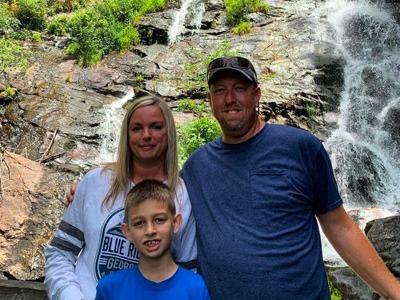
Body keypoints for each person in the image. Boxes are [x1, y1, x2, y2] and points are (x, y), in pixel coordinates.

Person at [180, 56, 400, 299]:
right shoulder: (195, 167)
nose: (230, 99)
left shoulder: (302, 148)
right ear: (210, 100)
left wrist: (394, 292)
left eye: (239, 89)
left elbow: (340, 226)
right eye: (219, 91)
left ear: (257, 94)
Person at [44, 95, 197, 300]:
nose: (146, 135)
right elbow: (60, 253)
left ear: (169, 132)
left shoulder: (183, 195)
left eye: (156, 126)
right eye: (136, 128)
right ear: (126, 134)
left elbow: (188, 271)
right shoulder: (94, 183)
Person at [95, 179, 209, 300]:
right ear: (127, 231)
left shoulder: (195, 288)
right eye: (139, 223)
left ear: (175, 223)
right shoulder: (109, 288)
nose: (150, 231)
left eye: (159, 220)